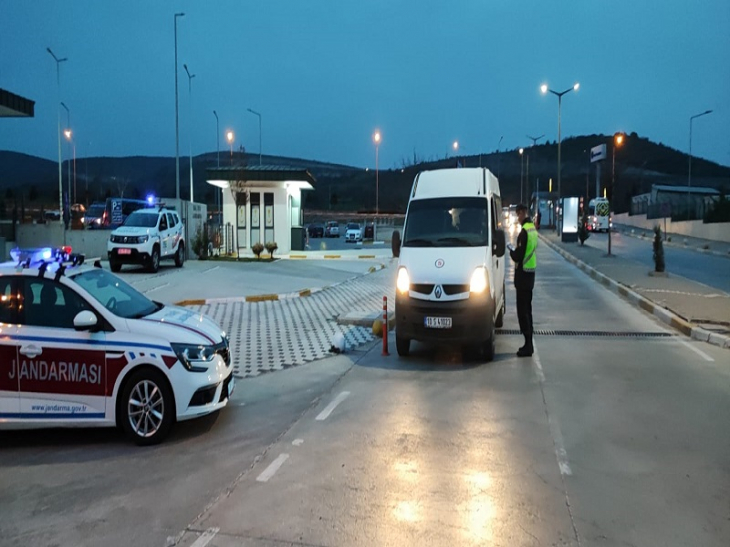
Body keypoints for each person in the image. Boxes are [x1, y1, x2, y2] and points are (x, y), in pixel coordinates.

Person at [509, 203, 537, 357]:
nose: (517, 218)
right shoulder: (533, 230)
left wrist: (511, 251)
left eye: (517, 214)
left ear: (521, 213)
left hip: (523, 277)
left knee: (522, 312)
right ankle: (529, 343)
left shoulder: (524, 232)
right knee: (528, 310)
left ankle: (527, 345)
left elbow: (518, 255)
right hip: (530, 275)